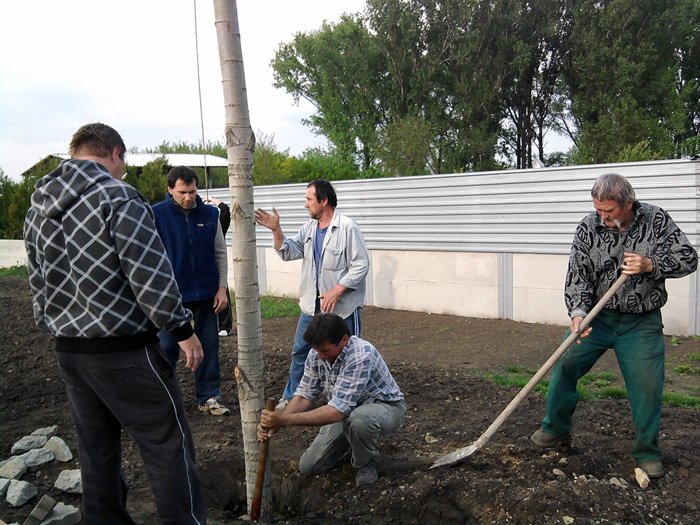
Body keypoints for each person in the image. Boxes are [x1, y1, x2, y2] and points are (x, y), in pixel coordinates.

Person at [23, 123, 207, 524]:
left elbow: (37, 279)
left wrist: (58, 325)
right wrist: (182, 330)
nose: (123, 170)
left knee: (96, 450)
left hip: (70, 352)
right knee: (167, 443)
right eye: (123, 163)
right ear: (116, 153)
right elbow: (149, 275)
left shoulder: (38, 204)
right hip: (124, 350)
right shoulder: (118, 196)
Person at [530, 173, 698, 479]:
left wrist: (651, 265)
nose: (603, 216)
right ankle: (555, 430)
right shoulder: (588, 227)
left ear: (628, 203)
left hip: (641, 323)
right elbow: (577, 275)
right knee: (565, 363)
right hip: (597, 317)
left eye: (609, 211)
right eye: (599, 210)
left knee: (647, 386)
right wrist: (578, 314)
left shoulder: (655, 220)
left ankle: (646, 451)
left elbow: (688, 258)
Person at [254, 179, 370, 407]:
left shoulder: (347, 227)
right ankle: (291, 399)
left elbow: (361, 265)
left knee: (348, 354)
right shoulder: (308, 229)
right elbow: (287, 252)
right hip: (312, 306)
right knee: (300, 352)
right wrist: (276, 230)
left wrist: (337, 291)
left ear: (323, 201)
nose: (305, 205)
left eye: (309, 199)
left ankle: (348, 399)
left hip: (342, 309)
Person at [257, 313, 406, 486]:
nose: (320, 355)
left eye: (325, 351)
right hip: (347, 413)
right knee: (309, 467)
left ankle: (365, 463)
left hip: (385, 409)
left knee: (359, 420)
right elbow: (304, 395)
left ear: (344, 340)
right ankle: (354, 444)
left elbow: (336, 412)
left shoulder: (361, 355)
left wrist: (285, 419)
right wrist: (276, 424)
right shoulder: (316, 355)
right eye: (317, 350)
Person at [152, 167, 231, 416]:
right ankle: (161, 399)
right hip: (171, 298)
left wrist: (222, 288)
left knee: (209, 346)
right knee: (166, 349)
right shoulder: (156, 215)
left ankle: (209, 396)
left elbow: (220, 252)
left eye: (193, 191)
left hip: (207, 295)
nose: (188, 197)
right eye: (182, 192)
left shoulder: (210, 214)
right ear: (170, 189)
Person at [204, 196, 234, 338]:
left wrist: (211, 199)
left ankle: (224, 326)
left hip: (215, 266)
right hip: (200, 268)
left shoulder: (217, 225)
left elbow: (225, 210)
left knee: (223, 294)